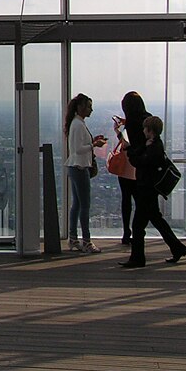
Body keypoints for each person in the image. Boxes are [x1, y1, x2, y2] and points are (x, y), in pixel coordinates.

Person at [121, 115, 186, 268]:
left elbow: (139, 162)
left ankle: (138, 258)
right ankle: (177, 248)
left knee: (138, 226)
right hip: (150, 190)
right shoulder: (154, 145)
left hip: (147, 190)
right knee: (157, 220)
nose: (143, 131)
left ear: (150, 130)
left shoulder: (154, 147)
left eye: (145, 128)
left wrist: (129, 151)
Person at [64, 93, 107, 253]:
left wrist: (92, 141)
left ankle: (73, 238)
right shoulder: (78, 124)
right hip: (80, 167)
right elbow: (77, 149)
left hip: (75, 167)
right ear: (81, 107)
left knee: (76, 204)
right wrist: (94, 145)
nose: (91, 109)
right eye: (89, 106)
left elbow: (77, 146)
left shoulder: (76, 123)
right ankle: (86, 241)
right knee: (84, 206)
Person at [112, 91, 148, 245]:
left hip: (128, 165)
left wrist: (118, 132)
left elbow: (126, 145)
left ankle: (127, 232)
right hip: (142, 166)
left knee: (126, 200)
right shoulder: (147, 120)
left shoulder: (131, 124)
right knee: (140, 201)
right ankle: (139, 231)